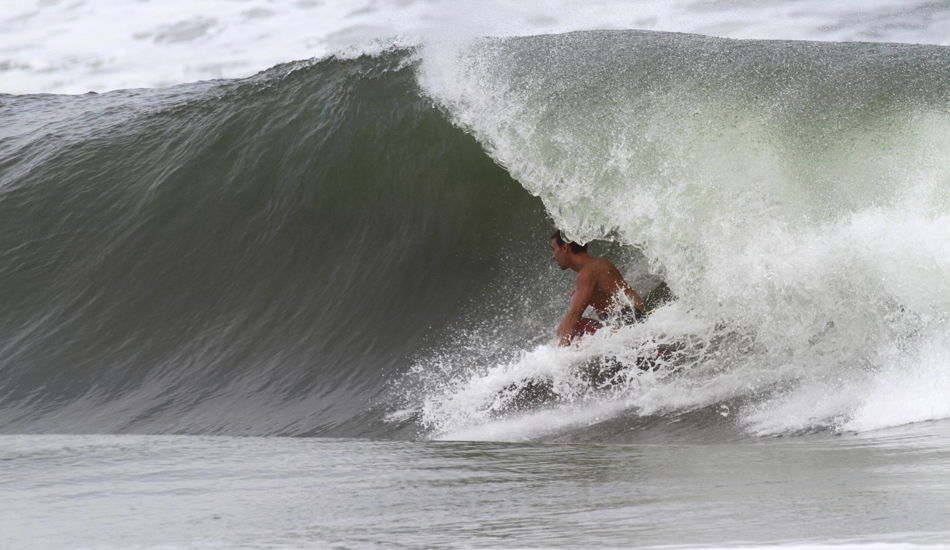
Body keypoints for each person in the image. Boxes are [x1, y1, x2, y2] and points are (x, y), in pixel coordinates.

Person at [551, 230, 646, 346]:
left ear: (565, 247)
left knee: (581, 343)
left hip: (629, 319)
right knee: (564, 326)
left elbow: (575, 314)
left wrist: (562, 352)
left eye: (554, 250)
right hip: (617, 320)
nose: (553, 256)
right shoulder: (594, 267)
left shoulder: (588, 271)